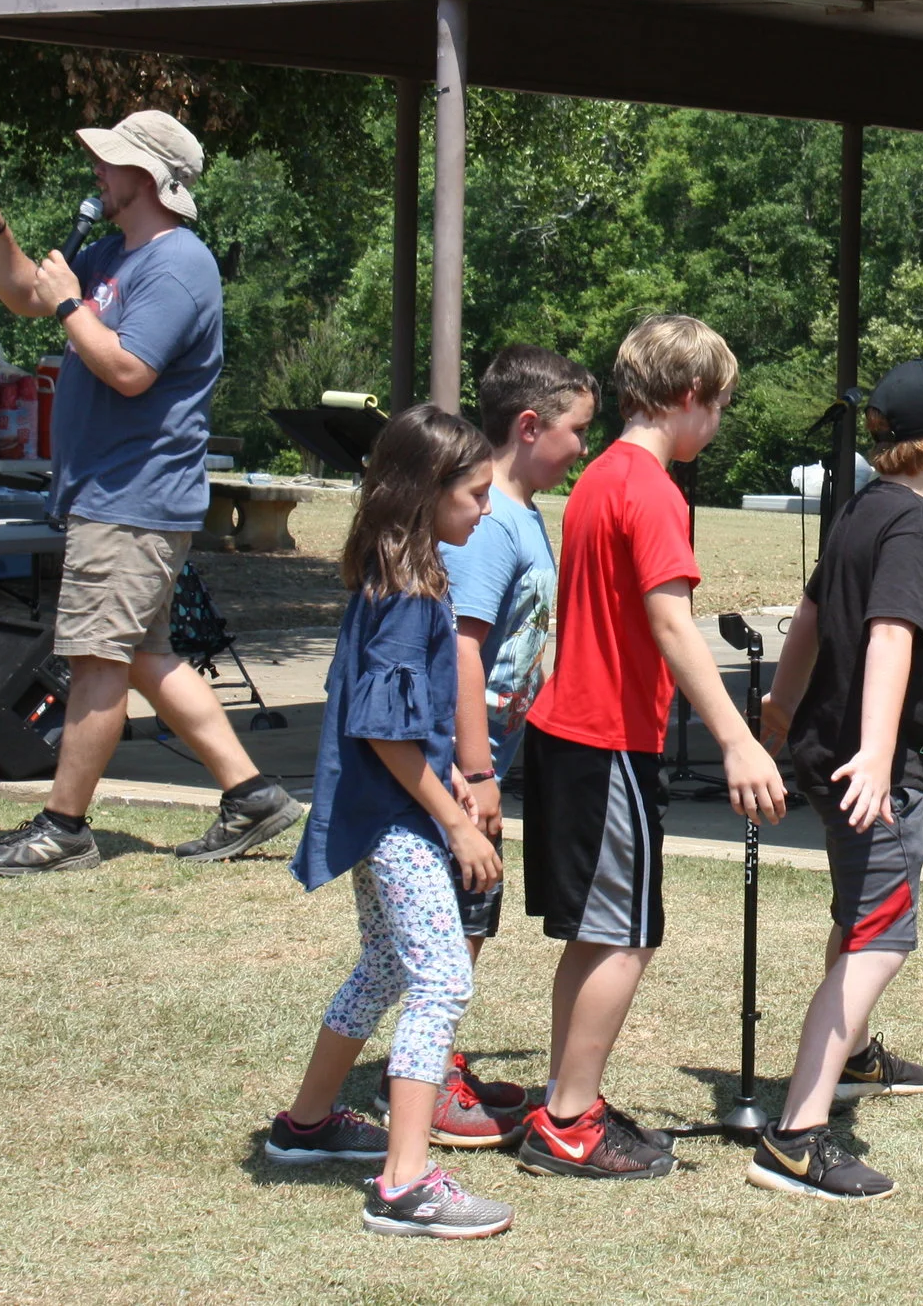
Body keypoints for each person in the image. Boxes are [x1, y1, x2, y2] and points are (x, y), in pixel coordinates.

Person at [0, 111, 304, 875]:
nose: (98, 175)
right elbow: (26, 295)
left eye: (110, 164)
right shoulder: (114, 252)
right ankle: (252, 796)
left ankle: (64, 826)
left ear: (149, 178)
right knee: (145, 656)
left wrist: (74, 304)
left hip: (131, 498)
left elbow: (130, 369)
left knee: (96, 659)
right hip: (111, 494)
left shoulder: (179, 266)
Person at [513, 314, 790, 1182]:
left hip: (568, 734)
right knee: (626, 937)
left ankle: (568, 1096)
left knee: (597, 936)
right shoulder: (653, 489)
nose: (720, 423)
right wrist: (740, 741)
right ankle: (568, 1122)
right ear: (691, 397)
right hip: (607, 740)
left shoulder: (596, 476)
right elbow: (673, 622)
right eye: (721, 406)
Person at [751, 361, 923, 1200]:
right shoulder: (916, 528)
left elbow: (809, 617)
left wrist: (781, 712)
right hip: (875, 770)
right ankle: (796, 1136)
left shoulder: (859, 508)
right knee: (882, 938)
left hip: (834, 754)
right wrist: (874, 751)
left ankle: (854, 1053)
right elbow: (892, 633)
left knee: (857, 917)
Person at [263, 403, 515, 1240]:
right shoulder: (409, 592)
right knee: (441, 978)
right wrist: (455, 819)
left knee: (383, 965)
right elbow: (379, 728)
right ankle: (405, 1183)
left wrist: (454, 771)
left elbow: (402, 716)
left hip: (385, 811)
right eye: (475, 492)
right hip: (396, 821)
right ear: (423, 491)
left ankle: (306, 1123)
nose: (486, 506)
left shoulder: (404, 575)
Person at [371, 346, 600, 1148]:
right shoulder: (490, 521)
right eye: (576, 430)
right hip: (469, 766)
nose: (582, 447)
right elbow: (463, 648)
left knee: (471, 913)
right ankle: (424, 1082)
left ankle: (437, 1063)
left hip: (496, 755)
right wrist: (477, 770)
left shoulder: (515, 512)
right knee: (455, 921)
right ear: (530, 424)